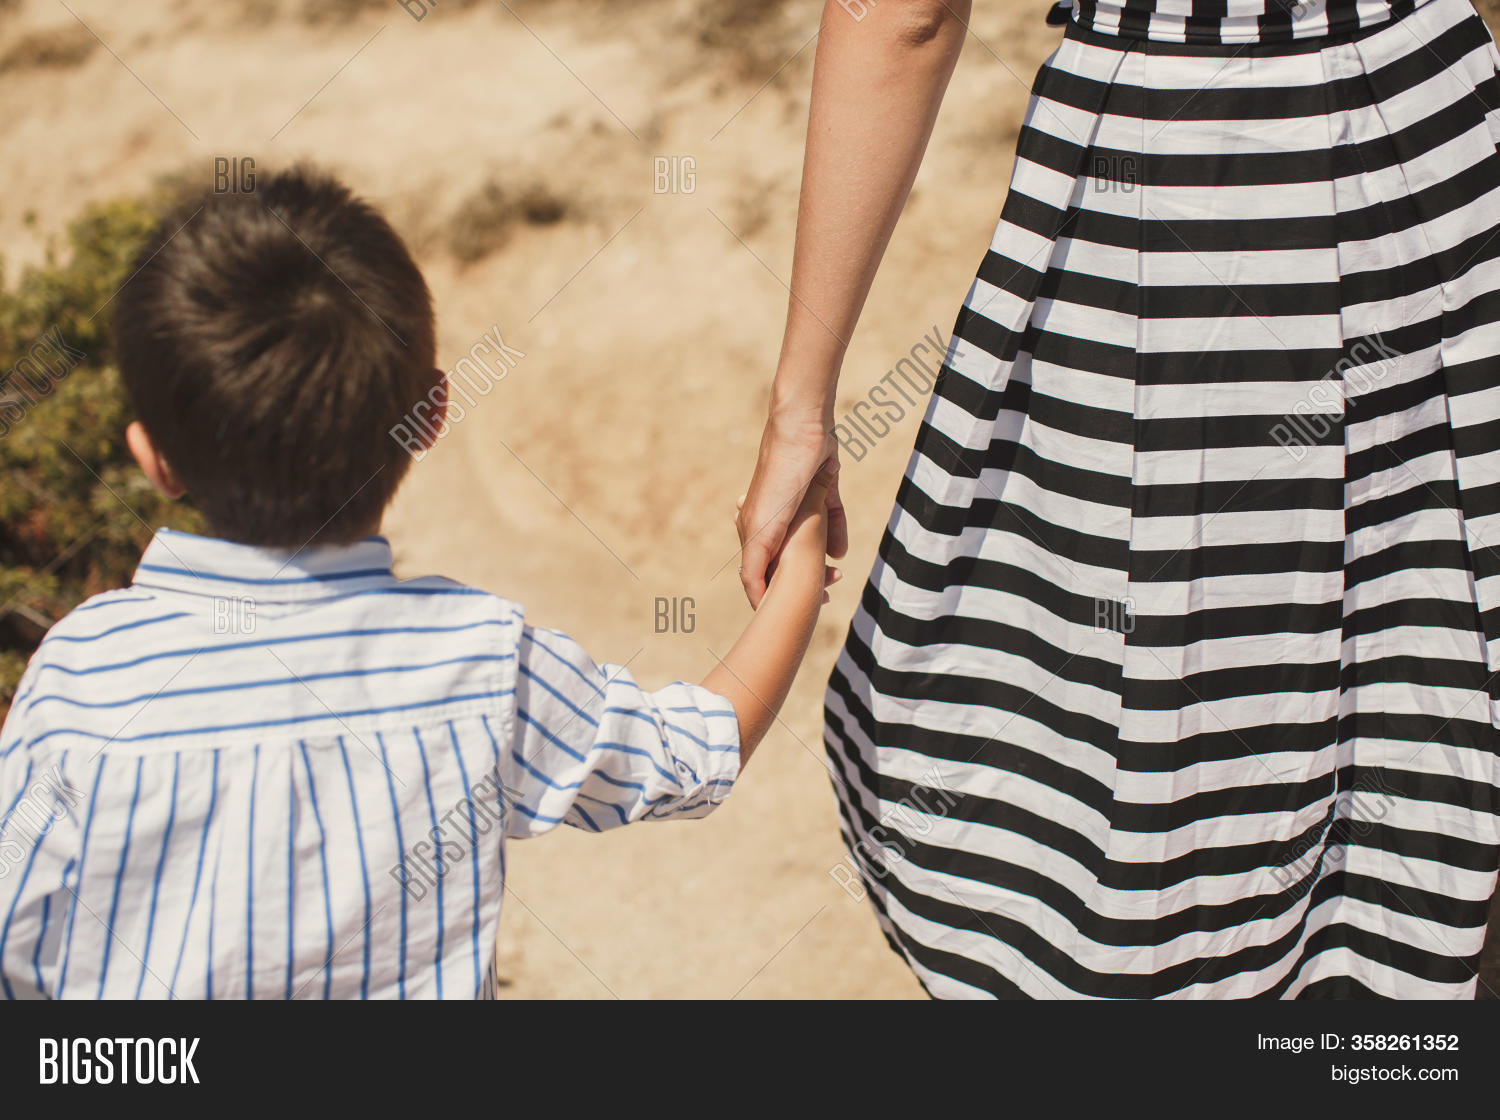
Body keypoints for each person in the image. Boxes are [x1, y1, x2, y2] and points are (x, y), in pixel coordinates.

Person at [737, 0, 1500, 997]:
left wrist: (800, 407)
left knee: (1153, 712)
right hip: (1439, 135)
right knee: (1431, 617)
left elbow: (904, 19)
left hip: (1177, 175)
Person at [0, 166, 837, 999]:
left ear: (154, 459)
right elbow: (692, 752)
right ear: (431, 415)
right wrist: (796, 563)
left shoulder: (80, 680)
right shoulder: (476, 662)